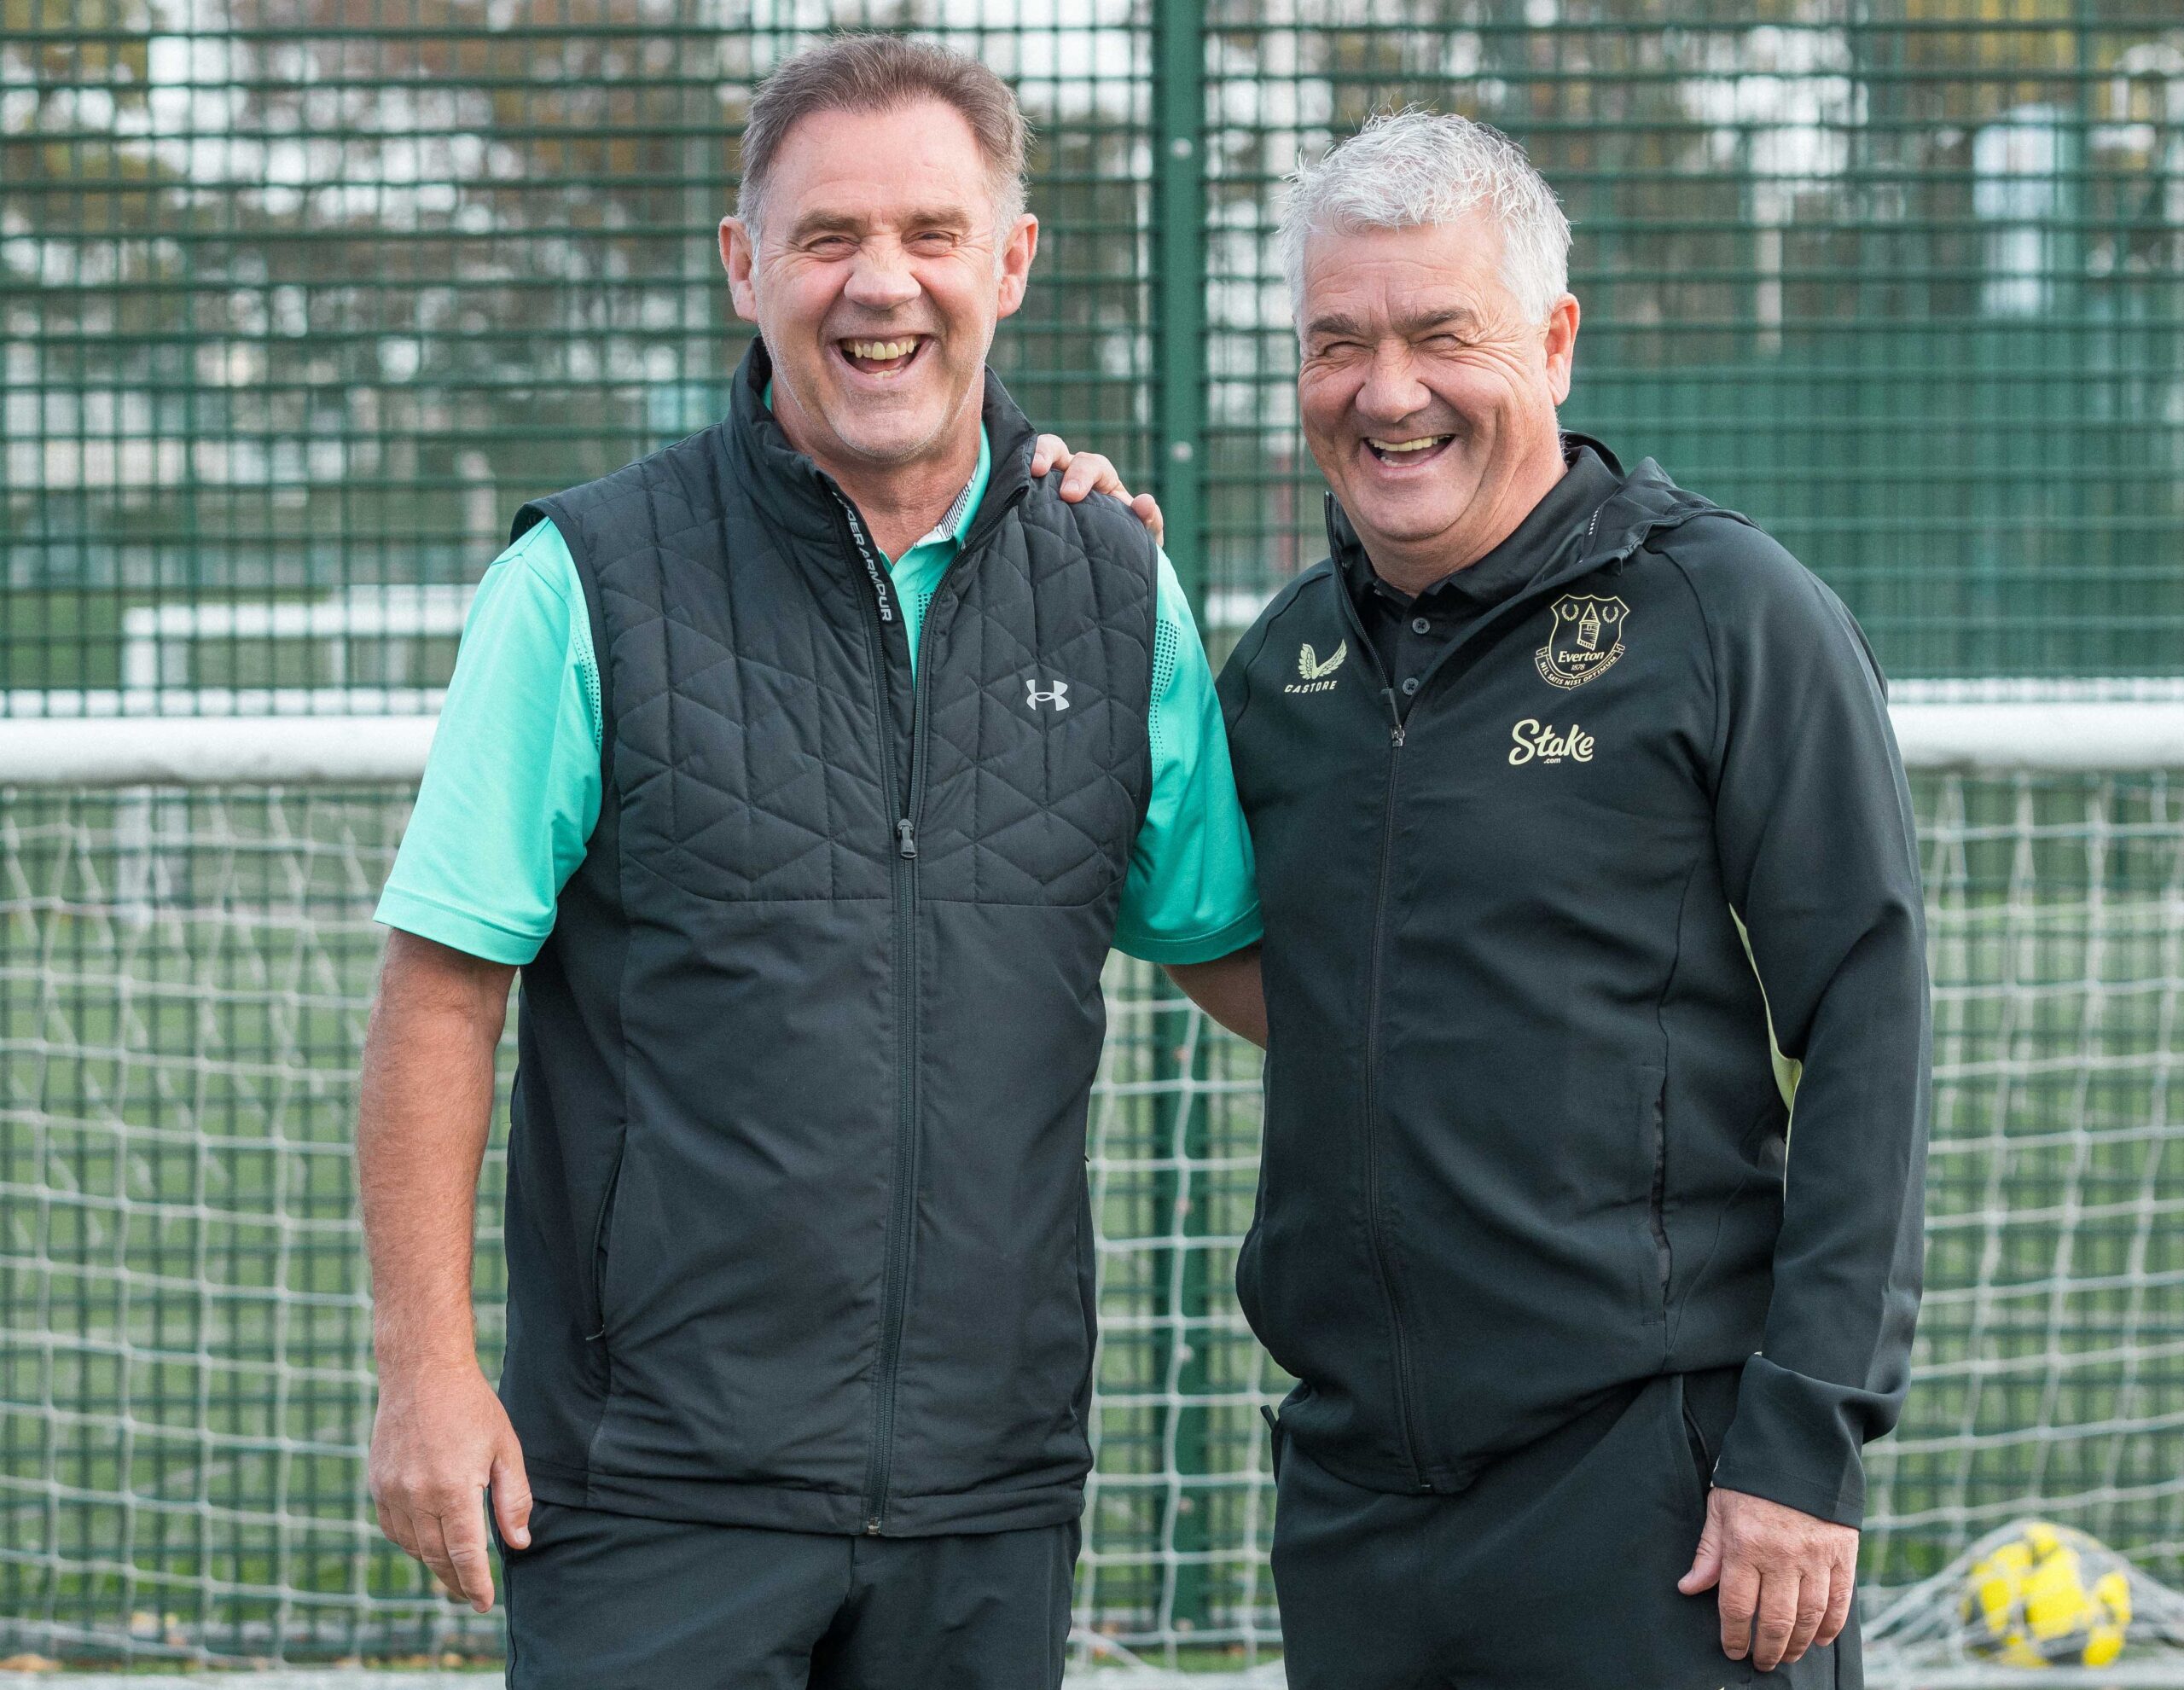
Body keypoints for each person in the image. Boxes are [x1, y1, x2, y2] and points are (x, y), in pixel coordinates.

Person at [356, 35, 1258, 1689]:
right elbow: (440, 988)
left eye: (928, 233)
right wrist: (424, 1368)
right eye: (827, 236)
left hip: (989, 1502)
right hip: (650, 1494)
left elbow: (1227, 938)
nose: (879, 285)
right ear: (743, 266)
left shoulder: (1115, 588)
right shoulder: (583, 583)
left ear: (1010, 261)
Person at [1170, 110, 1931, 1686]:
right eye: (1338, 342)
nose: (1388, 393)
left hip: (1659, 1496)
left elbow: (1871, 1018)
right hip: (1356, 1503)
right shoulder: (1288, 662)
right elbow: (1269, 965)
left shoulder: (1730, 615)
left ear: (1556, 340)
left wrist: (1802, 1442)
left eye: (1443, 334)